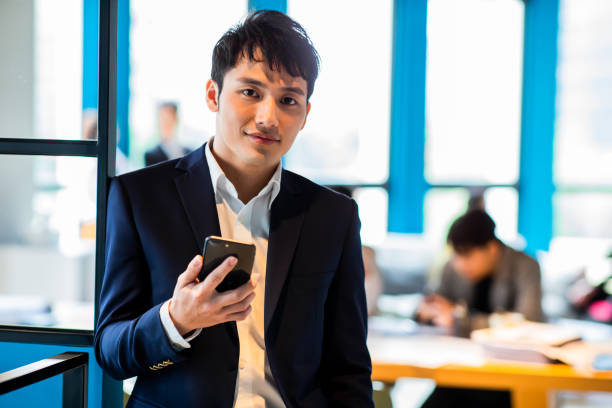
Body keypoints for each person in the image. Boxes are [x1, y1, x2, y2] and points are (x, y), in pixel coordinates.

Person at [94, 10, 373, 408]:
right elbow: (110, 351)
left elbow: (348, 371)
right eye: (250, 92)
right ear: (213, 95)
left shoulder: (333, 216)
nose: (268, 117)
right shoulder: (140, 197)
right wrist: (176, 320)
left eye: (288, 100)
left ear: (305, 115)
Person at [418, 209, 543, 330]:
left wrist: (463, 321)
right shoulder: (451, 267)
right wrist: (428, 310)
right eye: (455, 255)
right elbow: (434, 300)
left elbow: (528, 319)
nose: (459, 264)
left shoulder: (526, 266)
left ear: (491, 249)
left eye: (467, 256)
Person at [144, 101, 190, 166]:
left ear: (176, 119)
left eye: (168, 119)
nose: (164, 124)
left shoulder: (189, 152)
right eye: (162, 119)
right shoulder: (151, 155)